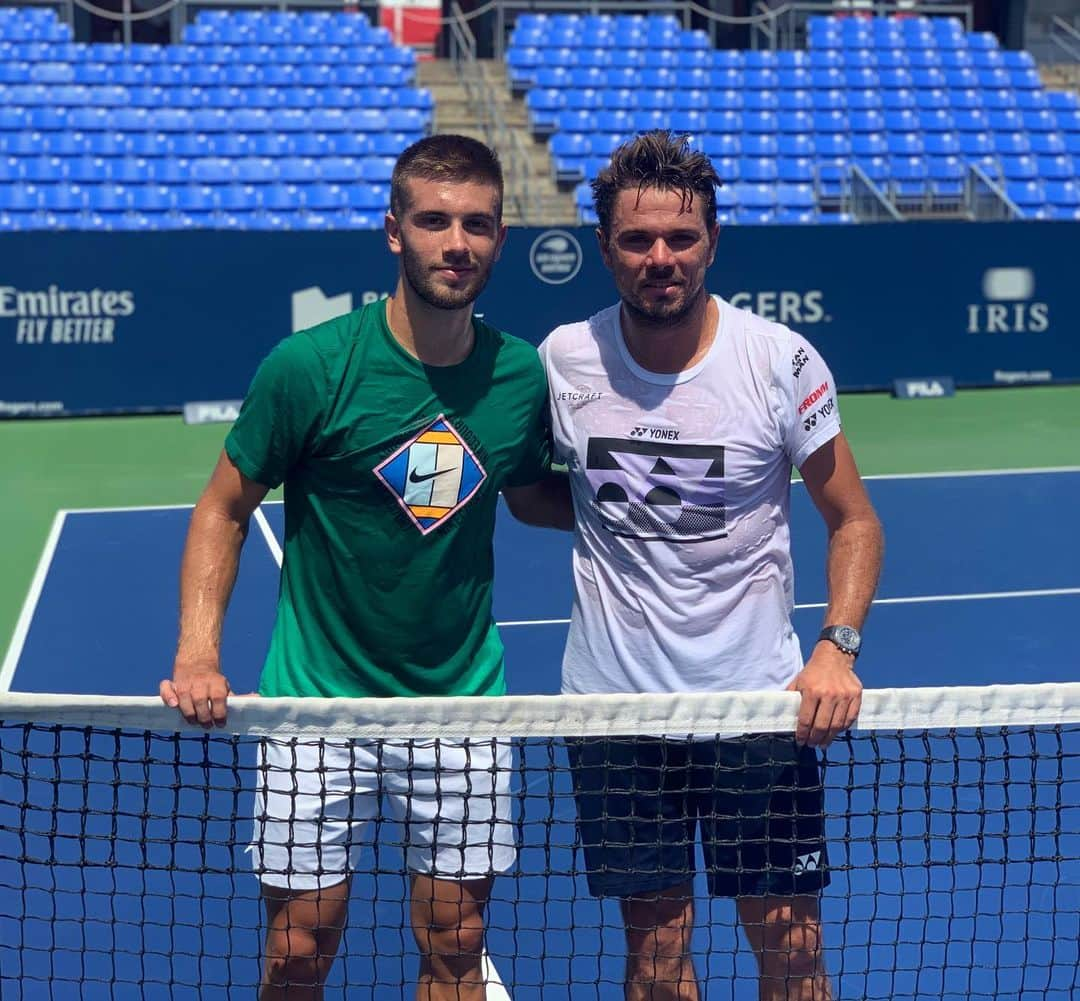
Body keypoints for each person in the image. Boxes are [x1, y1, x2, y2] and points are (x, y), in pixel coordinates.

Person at [159, 134, 571, 1001]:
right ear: (394, 232)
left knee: (457, 945)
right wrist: (198, 651)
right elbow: (224, 506)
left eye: (477, 224)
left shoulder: (518, 376)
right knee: (298, 952)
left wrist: (666, 508)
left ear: (500, 238)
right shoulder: (310, 367)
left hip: (460, 705)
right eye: (433, 221)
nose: (456, 242)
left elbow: (535, 493)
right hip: (315, 704)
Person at [537, 131, 884, 1001]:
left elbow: (854, 520)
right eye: (638, 240)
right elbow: (530, 491)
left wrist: (837, 646)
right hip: (618, 710)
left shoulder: (779, 360)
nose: (662, 258)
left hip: (759, 709)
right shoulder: (563, 358)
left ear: (713, 242)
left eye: (681, 239)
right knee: (655, 957)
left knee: (792, 951)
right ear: (604, 246)